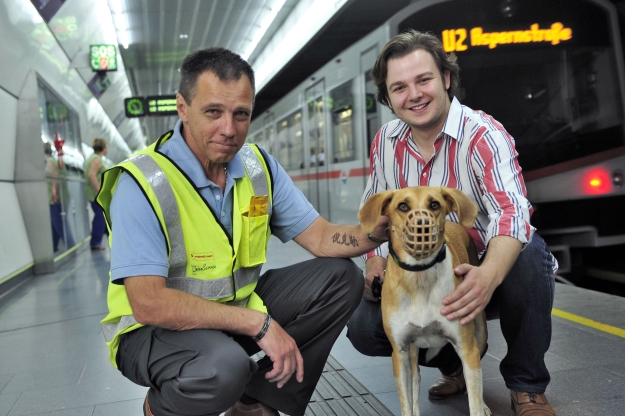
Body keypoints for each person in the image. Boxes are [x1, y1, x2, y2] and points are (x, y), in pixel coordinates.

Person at [96, 47, 388, 416]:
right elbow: (148, 303)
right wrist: (259, 324)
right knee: (224, 368)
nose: (229, 129)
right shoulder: (141, 184)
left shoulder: (256, 166)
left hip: (229, 313)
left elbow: (320, 236)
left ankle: (254, 402)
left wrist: (378, 233)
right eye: (213, 112)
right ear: (182, 108)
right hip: (150, 331)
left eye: (241, 114)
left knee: (341, 278)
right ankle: (161, 407)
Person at [346, 30, 557, 416]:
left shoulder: (483, 135)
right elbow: (377, 215)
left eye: (423, 79)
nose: (414, 95)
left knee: (531, 257)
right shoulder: (386, 142)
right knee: (364, 327)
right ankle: (454, 365)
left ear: (445, 77)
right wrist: (375, 261)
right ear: (389, 98)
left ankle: (526, 385)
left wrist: (486, 277)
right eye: (399, 87)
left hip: (486, 265)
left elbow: (513, 214)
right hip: (424, 273)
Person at [44, 141, 74, 251]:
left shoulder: (50, 162)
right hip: (62, 196)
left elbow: (55, 178)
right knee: (54, 223)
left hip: (55, 199)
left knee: (59, 224)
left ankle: (71, 246)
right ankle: (53, 246)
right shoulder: (57, 161)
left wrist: (54, 194)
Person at [85, 138, 109, 250]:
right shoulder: (96, 159)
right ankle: (95, 242)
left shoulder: (94, 158)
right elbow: (92, 175)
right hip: (96, 195)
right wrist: (99, 191)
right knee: (100, 217)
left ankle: (105, 236)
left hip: (94, 194)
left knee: (102, 216)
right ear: (104, 148)